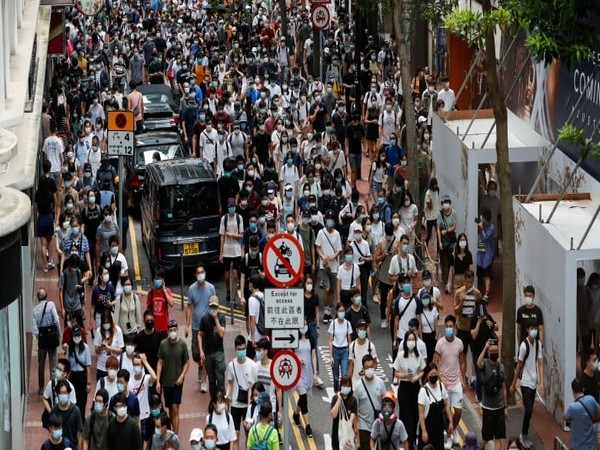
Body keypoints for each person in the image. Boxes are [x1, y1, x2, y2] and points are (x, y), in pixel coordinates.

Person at [510, 324, 544, 449]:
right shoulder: (523, 346)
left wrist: (542, 382)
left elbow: (540, 363)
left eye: (535, 328)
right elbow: (519, 365)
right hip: (524, 382)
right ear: (527, 330)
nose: (534, 331)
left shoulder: (538, 344)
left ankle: (524, 434)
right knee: (529, 409)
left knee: (530, 410)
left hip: (533, 382)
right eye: (531, 328)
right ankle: (524, 435)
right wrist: (514, 383)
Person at [433, 315, 465, 448]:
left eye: (451, 326)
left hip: (456, 381)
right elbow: (435, 362)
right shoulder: (440, 343)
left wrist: (463, 379)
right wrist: (440, 380)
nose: (449, 329)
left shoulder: (459, 343)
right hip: (444, 383)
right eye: (447, 326)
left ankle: (453, 429)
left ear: (455, 327)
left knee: (458, 411)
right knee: (447, 412)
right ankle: (450, 436)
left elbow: (463, 362)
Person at [187, 263, 217, 392]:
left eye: (202, 272)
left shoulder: (211, 288)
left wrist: (215, 324)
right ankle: (200, 366)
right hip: (195, 326)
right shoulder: (191, 289)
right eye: (198, 273)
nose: (200, 275)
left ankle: (204, 381)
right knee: (195, 354)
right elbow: (189, 307)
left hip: (208, 327)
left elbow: (215, 306)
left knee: (205, 354)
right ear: (195, 275)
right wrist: (187, 326)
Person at [156, 319, 190, 435]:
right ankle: (171, 431)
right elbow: (160, 362)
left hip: (177, 383)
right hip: (166, 382)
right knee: (170, 408)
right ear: (167, 331)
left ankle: (175, 435)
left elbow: (186, 363)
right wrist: (158, 381)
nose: (173, 332)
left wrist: (181, 377)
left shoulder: (182, 345)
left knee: (175, 408)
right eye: (171, 330)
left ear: (177, 330)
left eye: (175, 330)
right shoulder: (163, 344)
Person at [393, 331, 425, 446]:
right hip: (405, 387)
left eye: (413, 340)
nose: (411, 342)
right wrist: (405, 376)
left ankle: (412, 437)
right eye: (409, 340)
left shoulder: (418, 355)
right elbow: (396, 372)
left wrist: (416, 377)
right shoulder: (401, 355)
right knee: (406, 413)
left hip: (415, 386)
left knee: (415, 413)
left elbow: (422, 370)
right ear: (405, 341)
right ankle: (406, 438)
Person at [453, 270, 482, 388]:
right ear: (464, 281)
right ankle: (463, 375)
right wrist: (462, 301)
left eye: (471, 282)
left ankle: (473, 378)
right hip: (462, 328)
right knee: (462, 353)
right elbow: (455, 311)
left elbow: (481, 310)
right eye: (467, 282)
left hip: (473, 329)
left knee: (475, 353)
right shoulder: (458, 293)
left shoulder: (477, 294)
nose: (469, 284)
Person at [477, 339, 507, 449]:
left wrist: (506, 407)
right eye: (492, 351)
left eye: (496, 351)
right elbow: (478, 363)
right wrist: (485, 347)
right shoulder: (485, 363)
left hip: (499, 408)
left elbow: (503, 388)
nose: (494, 353)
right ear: (488, 353)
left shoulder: (501, 367)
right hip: (487, 408)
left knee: (499, 438)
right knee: (486, 438)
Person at [417, 363, 454, 450]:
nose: (434, 376)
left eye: (435, 374)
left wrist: (451, 421)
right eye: (431, 374)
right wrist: (424, 432)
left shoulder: (441, 387)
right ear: (427, 376)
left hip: (439, 428)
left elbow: (446, 405)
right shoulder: (423, 391)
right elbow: (421, 413)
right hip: (428, 429)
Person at [315, 210, 343, 323]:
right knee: (326, 289)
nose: (329, 221)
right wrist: (323, 257)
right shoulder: (321, 233)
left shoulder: (336, 234)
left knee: (332, 290)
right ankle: (326, 309)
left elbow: (339, 250)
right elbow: (318, 247)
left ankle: (329, 310)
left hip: (334, 266)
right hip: (323, 265)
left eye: (332, 219)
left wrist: (332, 257)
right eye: (328, 219)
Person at [354, 354, 386, 450]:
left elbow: (385, 403)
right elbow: (355, 410)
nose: (370, 369)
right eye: (367, 367)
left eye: (371, 366)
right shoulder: (358, 387)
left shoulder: (380, 383)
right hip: (364, 427)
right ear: (363, 368)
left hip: (378, 425)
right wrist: (356, 430)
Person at [199, 295, 227, 402]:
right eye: (212, 307)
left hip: (219, 351)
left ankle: (222, 400)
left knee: (220, 378)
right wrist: (201, 350)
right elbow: (200, 334)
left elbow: (221, 333)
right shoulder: (204, 319)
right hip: (208, 353)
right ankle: (213, 401)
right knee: (211, 379)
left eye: (215, 307)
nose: (213, 309)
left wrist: (216, 319)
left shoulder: (221, 318)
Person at [33, 288, 61, 395]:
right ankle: (53, 387)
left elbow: (35, 329)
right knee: (53, 365)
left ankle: (41, 388)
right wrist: (58, 334)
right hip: (52, 339)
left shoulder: (35, 311)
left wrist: (40, 338)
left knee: (41, 365)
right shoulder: (51, 305)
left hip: (42, 342)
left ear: (37, 298)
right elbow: (57, 320)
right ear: (46, 296)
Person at [226, 335, 254, 440]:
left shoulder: (252, 365)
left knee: (248, 433)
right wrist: (227, 395)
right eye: (239, 349)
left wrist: (250, 404)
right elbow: (230, 383)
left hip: (248, 405)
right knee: (235, 435)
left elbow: (253, 386)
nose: (241, 351)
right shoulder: (231, 365)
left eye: (243, 349)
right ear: (235, 349)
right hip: (235, 405)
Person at [293, 323, 317, 438]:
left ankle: (296, 414)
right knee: (303, 397)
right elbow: (290, 353)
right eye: (301, 324)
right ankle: (308, 426)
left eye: (305, 324)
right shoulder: (293, 338)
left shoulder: (311, 338)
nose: (304, 326)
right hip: (298, 373)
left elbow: (313, 356)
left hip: (307, 372)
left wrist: (315, 373)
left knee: (303, 397)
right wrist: (297, 358)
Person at [219, 198, 244, 304]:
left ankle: (233, 298)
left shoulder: (239, 218)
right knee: (226, 276)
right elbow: (222, 237)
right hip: (226, 251)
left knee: (235, 275)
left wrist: (232, 235)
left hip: (236, 251)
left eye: (233, 206)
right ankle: (228, 291)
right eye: (230, 206)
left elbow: (241, 235)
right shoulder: (224, 219)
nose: (232, 208)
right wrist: (221, 253)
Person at [565, 378, 600, 450]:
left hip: (576, 446)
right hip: (590, 446)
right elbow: (599, 412)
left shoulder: (572, 407)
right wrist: (593, 420)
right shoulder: (591, 399)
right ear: (583, 389)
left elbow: (565, 417)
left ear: (573, 391)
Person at [375, 224, 399, 328]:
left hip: (394, 274)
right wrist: (384, 255)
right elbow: (376, 258)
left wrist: (395, 254)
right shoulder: (381, 242)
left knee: (394, 297)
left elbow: (399, 255)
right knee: (384, 298)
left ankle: (393, 316)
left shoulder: (397, 241)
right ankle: (383, 318)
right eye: (388, 235)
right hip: (384, 275)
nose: (389, 238)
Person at [64, 325, 92, 416]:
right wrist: (66, 380)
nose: (77, 338)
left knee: (82, 402)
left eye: (78, 335)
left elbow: (88, 366)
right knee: (72, 401)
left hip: (82, 376)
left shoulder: (86, 348)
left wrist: (88, 383)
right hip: (73, 377)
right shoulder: (69, 349)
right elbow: (67, 366)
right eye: (75, 336)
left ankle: (81, 423)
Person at [50, 379, 84, 450]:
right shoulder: (54, 410)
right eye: (61, 393)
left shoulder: (76, 411)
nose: (63, 395)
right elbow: (50, 431)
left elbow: (79, 434)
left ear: (69, 393)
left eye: (65, 393)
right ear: (57, 394)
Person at [330, 376, 359, 450]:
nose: (346, 387)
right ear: (341, 386)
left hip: (348, 433)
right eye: (344, 385)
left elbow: (353, 415)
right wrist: (339, 399)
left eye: (348, 386)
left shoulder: (353, 400)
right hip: (337, 433)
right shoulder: (335, 398)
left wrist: (349, 424)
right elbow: (333, 415)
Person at [329, 303, 353, 393]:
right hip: (335, 350)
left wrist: (350, 353)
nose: (341, 313)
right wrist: (330, 356)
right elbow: (330, 340)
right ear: (336, 312)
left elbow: (349, 339)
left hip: (344, 351)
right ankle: (336, 392)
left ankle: (343, 393)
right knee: (335, 377)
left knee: (344, 374)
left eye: (343, 311)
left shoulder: (347, 324)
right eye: (340, 311)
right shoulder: (333, 324)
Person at [94, 310, 124, 379]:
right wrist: (100, 347)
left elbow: (121, 350)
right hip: (101, 367)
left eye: (107, 322)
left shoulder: (117, 330)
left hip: (114, 367)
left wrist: (109, 347)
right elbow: (96, 351)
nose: (106, 324)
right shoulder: (99, 331)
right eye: (104, 322)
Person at [348, 320, 379, 385]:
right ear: (356, 330)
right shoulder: (352, 346)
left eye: (364, 329)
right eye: (360, 329)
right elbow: (351, 366)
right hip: (355, 382)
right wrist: (349, 382)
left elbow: (375, 364)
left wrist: (367, 371)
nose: (362, 331)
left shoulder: (371, 346)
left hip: (368, 382)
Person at [437, 195, 457, 293]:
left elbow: (454, 226)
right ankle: (445, 282)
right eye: (444, 202)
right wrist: (440, 241)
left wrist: (447, 231)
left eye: (447, 202)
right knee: (444, 262)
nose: (446, 204)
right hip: (443, 242)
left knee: (451, 262)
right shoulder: (439, 214)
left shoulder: (453, 212)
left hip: (451, 241)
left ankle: (450, 282)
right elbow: (438, 228)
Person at [135, 309, 165, 374]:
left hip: (156, 369)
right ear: (144, 321)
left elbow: (162, 353)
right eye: (147, 320)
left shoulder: (158, 335)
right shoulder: (139, 336)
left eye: (151, 320)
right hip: (144, 370)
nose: (149, 322)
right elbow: (137, 353)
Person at [146, 269, 174, 333]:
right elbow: (148, 308)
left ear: (163, 280)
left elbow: (171, 304)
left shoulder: (167, 291)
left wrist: (164, 291)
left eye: (159, 279)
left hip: (164, 327)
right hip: (154, 327)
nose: (157, 280)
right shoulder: (151, 292)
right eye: (155, 279)